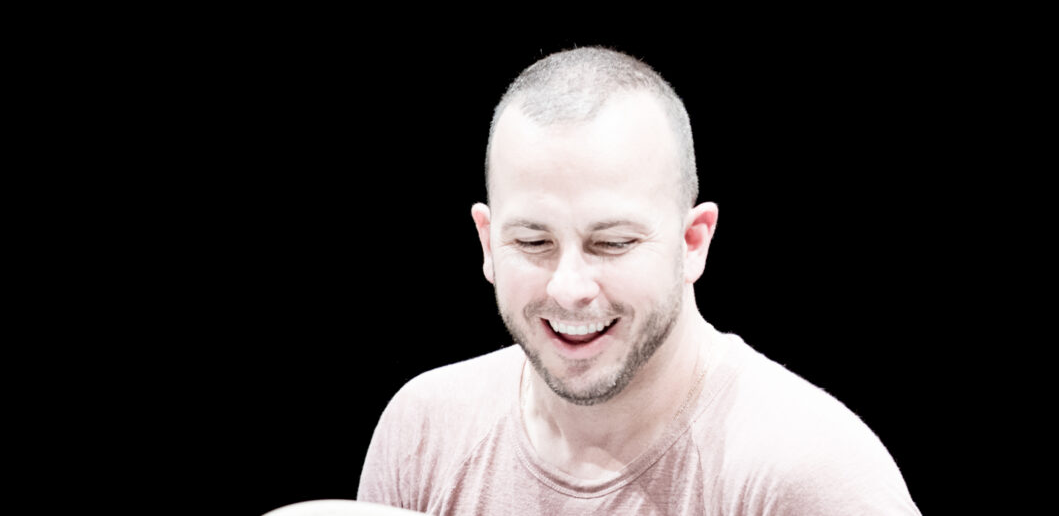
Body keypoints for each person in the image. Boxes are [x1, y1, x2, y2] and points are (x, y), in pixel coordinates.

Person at [356, 47, 919, 515]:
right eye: (532, 242)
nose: (569, 288)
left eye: (612, 243)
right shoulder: (423, 432)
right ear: (487, 243)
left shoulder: (813, 474)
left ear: (692, 242)